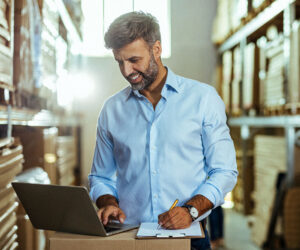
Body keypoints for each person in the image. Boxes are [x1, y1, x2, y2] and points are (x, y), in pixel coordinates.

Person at [89, 11, 237, 250]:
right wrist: (108, 202)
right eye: (119, 61)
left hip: (189, 239)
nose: (126, 71)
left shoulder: (203, 99)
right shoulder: (111, 110)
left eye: (134, 60)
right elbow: (100, 177)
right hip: (129, 237)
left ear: (156, 49)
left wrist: (190, 210)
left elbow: (224, 171)